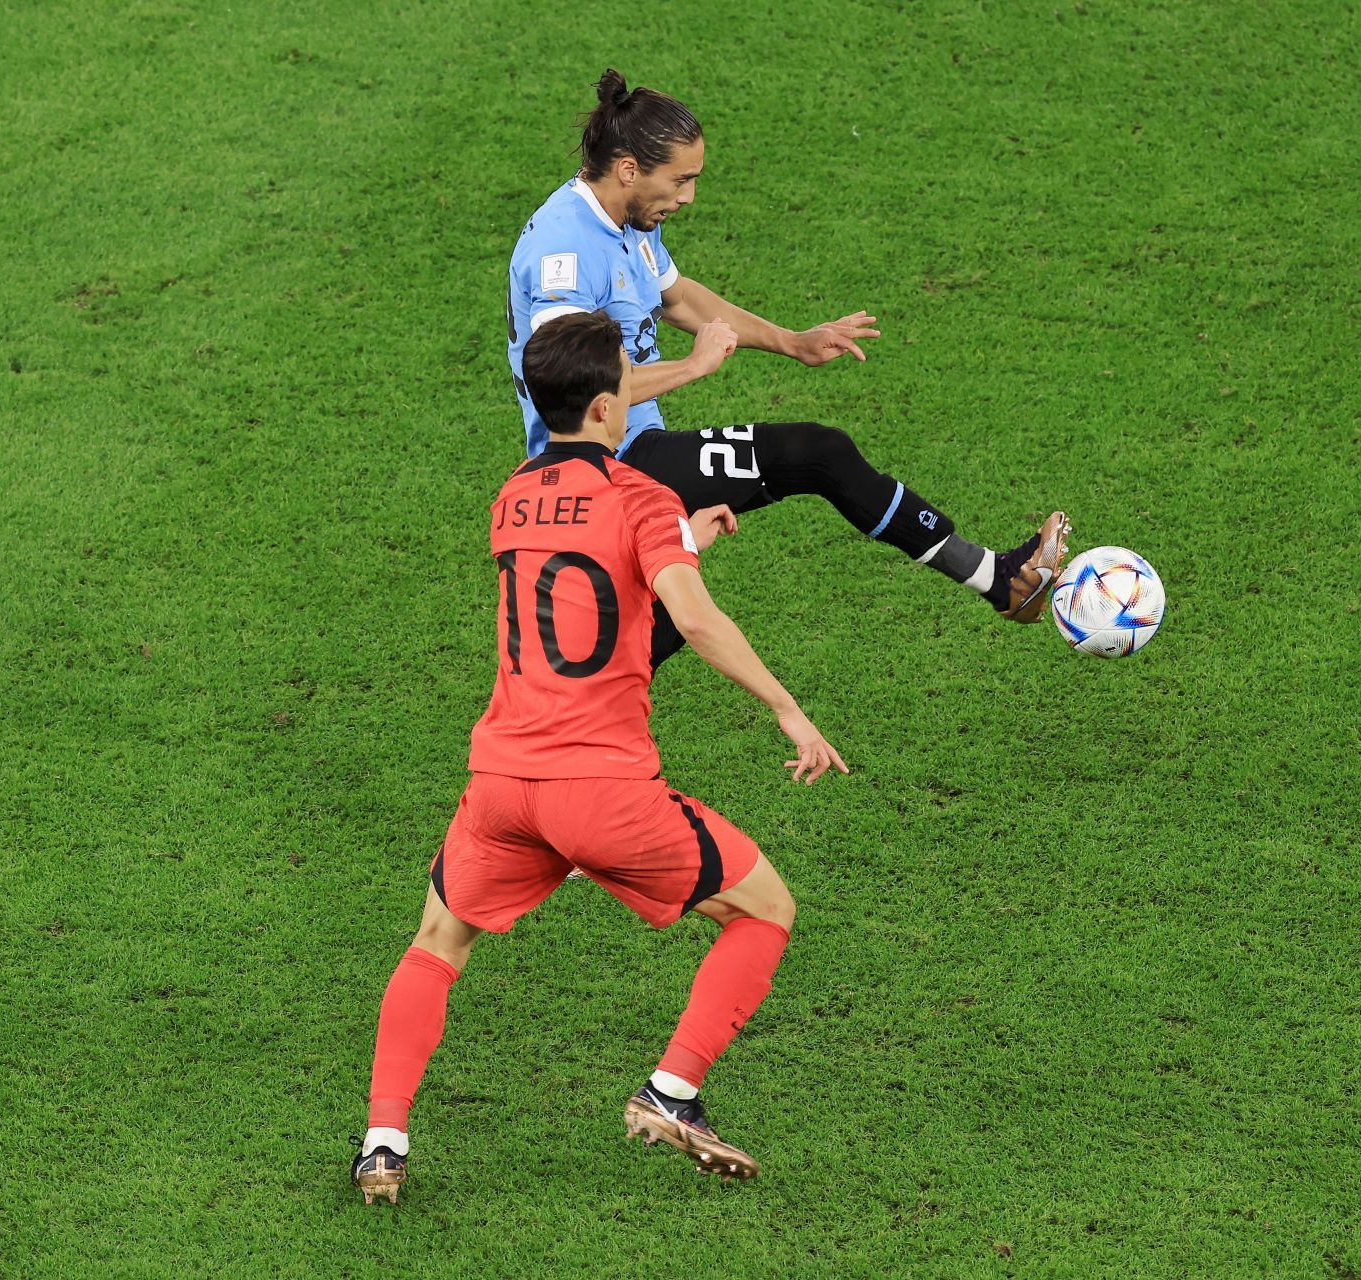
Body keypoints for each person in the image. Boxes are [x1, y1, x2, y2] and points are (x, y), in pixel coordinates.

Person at [354, 312, 848, 1204]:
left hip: (503, 786)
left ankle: (383, 1143)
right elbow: (689, 618)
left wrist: (685, 534)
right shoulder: (638, 498)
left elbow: (577, 569)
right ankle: (673, 1092)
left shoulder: (511, 495)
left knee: (436, 942)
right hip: (604, 790)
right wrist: (789, 711)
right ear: (611, 408)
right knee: (765, 907)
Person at [506, 69, 1071, 665]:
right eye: (680, 180)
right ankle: (1003, 582)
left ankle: (567, 712)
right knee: (814, 454)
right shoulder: (563, 252)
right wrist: (693, 368)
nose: (688, 197)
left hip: (633, 443)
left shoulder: (627, 220)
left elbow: (676, 297)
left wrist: (793, 342)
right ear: (628, 169)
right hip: (598, 465)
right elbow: (572, 388)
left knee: (657, 623)